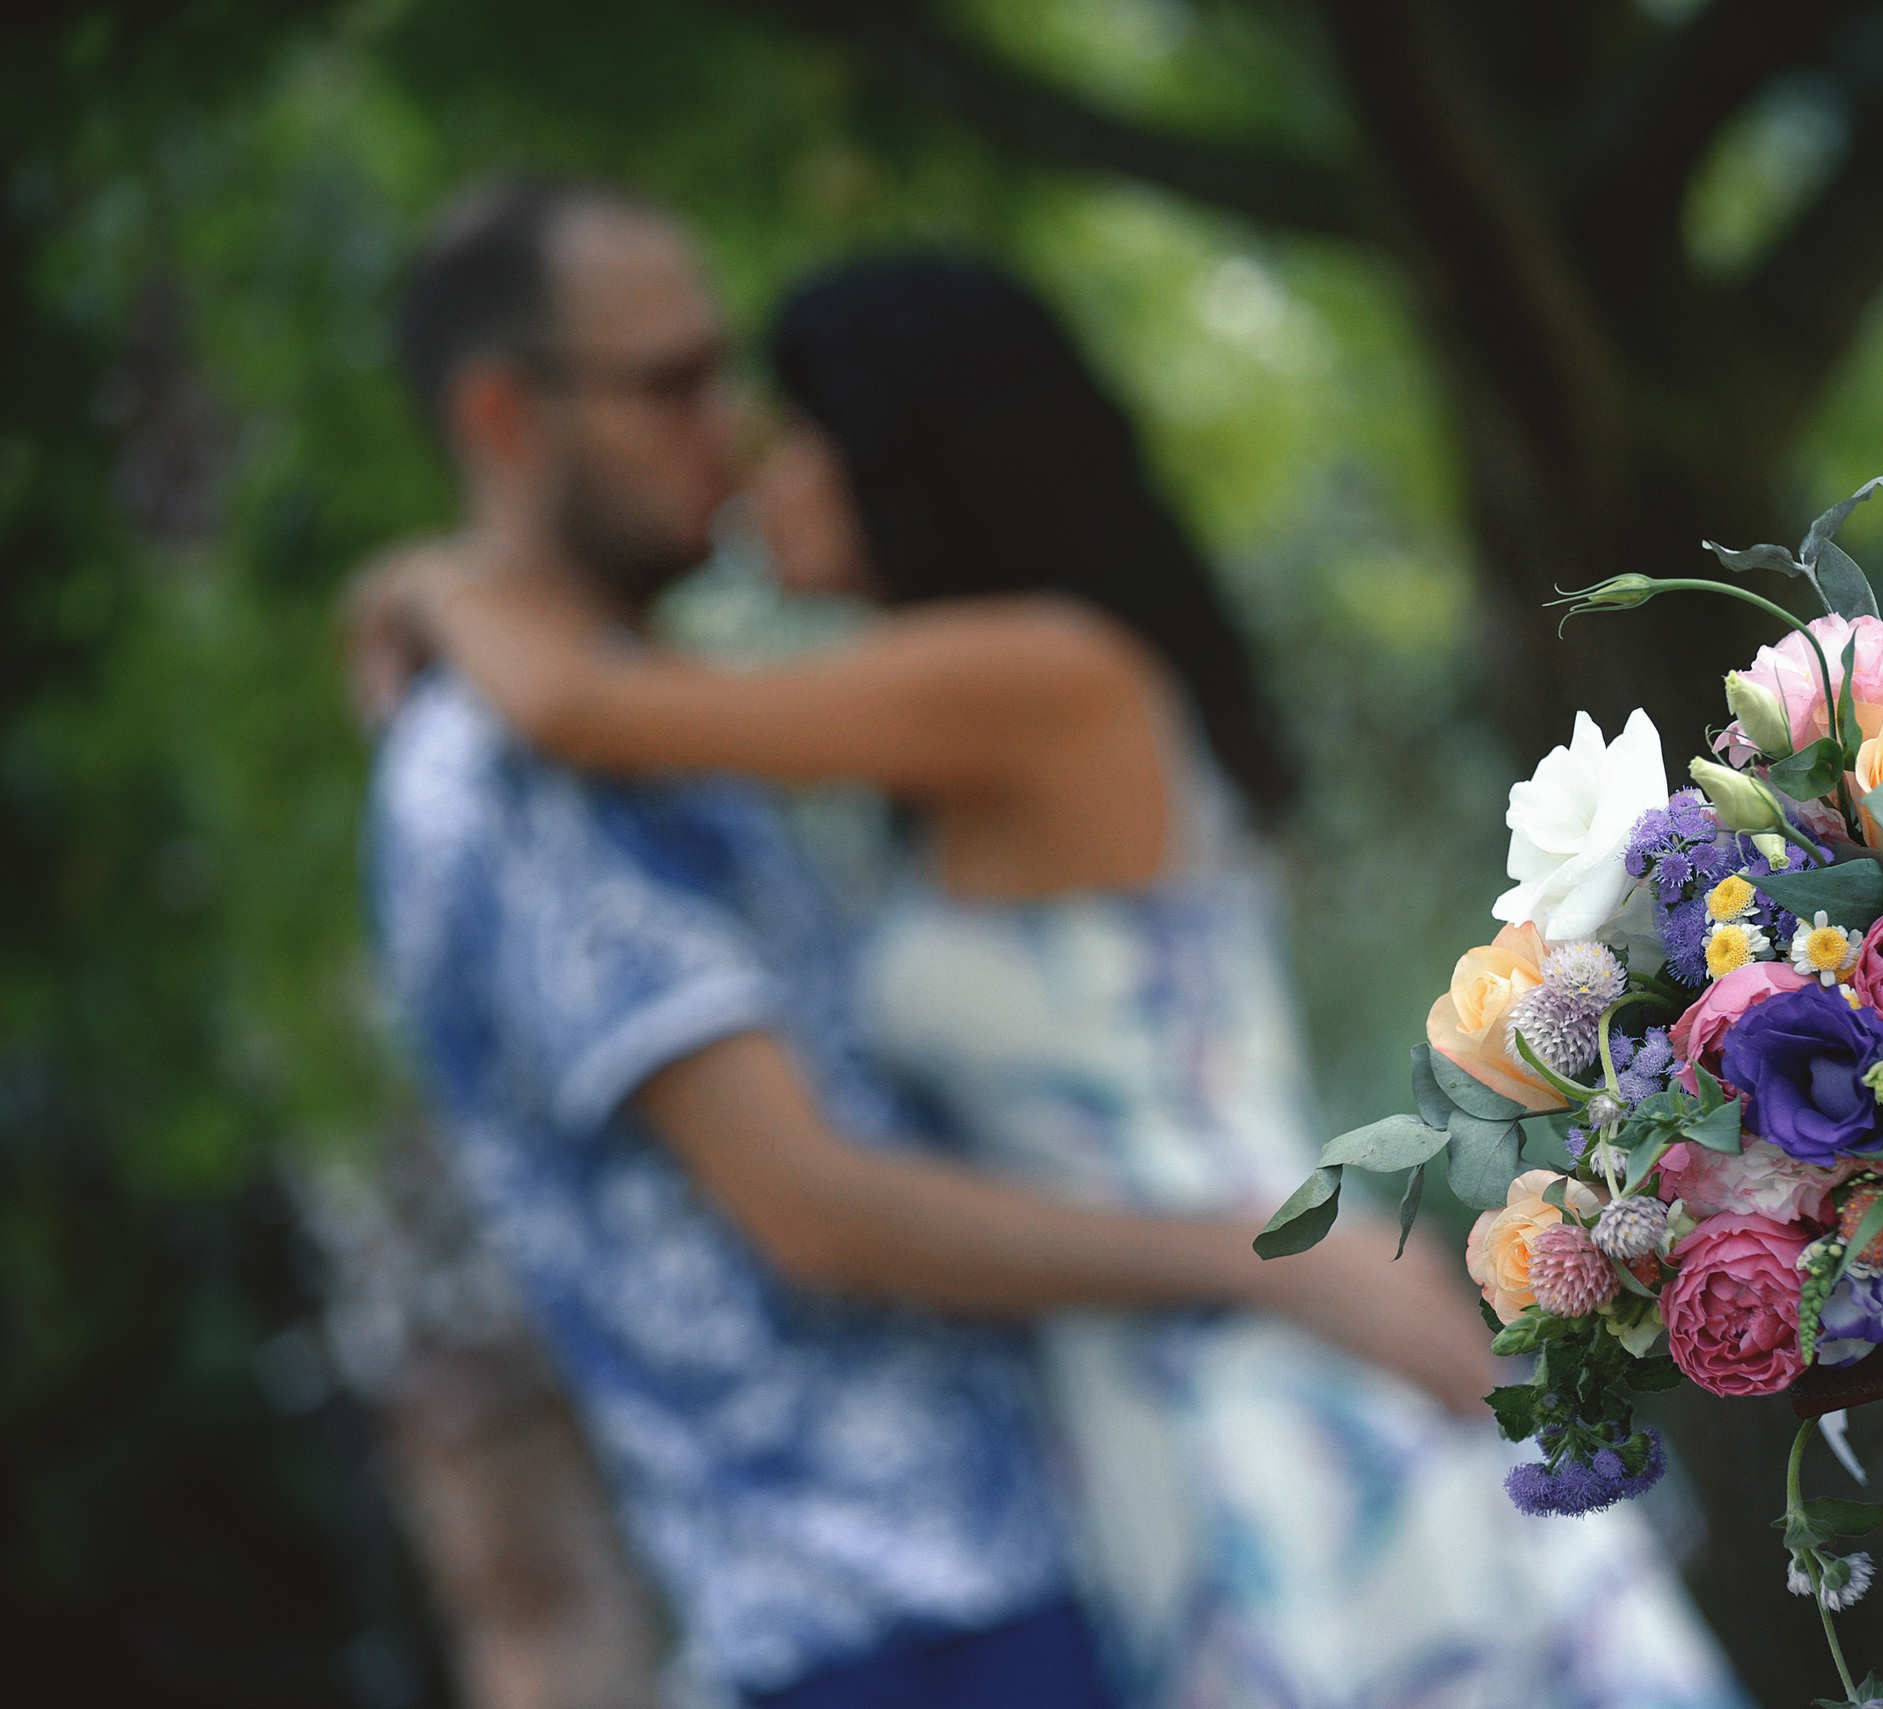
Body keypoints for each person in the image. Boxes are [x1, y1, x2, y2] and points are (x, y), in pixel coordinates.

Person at [364, 247, 1746, 1709]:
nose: (755, 480)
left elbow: (590, 705)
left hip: (1261, 1365)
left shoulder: (1042, 673)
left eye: (796, 435)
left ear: (906, 452)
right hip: (1163, 1373)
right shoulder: (960, 717)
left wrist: (428, 584)